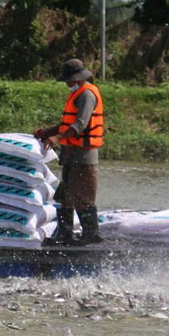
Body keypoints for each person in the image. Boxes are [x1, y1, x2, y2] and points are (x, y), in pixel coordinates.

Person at [33, 58, 104, 245]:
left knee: (83, 196)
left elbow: (80, 124)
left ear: (78, 79)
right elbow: (67, 124)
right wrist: (47, 133)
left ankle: (91, 235)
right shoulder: (77, 94)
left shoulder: (87, 95)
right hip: (71, 155)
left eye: (69, 80)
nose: (67, 84)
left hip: (84, 156)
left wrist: (57, 138)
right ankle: (64, 235)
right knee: (65, 195)